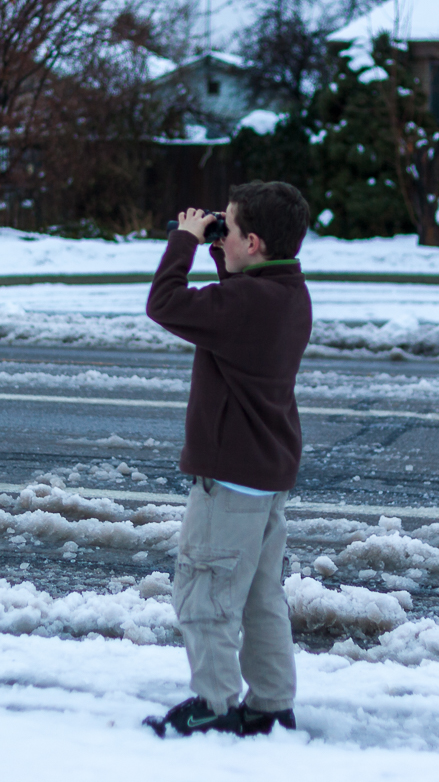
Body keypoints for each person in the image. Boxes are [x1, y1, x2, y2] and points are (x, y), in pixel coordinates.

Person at [142, 181, 313, 738]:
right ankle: (270, 704)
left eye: (230, 231)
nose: (222, 239)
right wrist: (222, 246)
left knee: (205, 592)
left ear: (255, 243)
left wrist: (184, 243)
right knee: (262, 598)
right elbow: (236, 304)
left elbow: (164, 303)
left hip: (231, 481)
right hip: (267, 478)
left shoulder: (242, 303)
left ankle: (214, 704)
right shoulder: (289, 293)